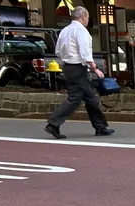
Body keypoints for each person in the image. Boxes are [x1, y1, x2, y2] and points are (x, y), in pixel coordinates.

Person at [45, 6, 113, 139]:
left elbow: (58, 51)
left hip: (68, 67)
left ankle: (100, 127)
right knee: (75, 99)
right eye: (87, 17)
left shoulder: (64, 31)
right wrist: (95, 69)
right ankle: (53, 123)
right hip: (78, 68)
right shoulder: (81, 31)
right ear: (83, 16)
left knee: (90, 98)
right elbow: (85, 52)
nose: (88, 20)